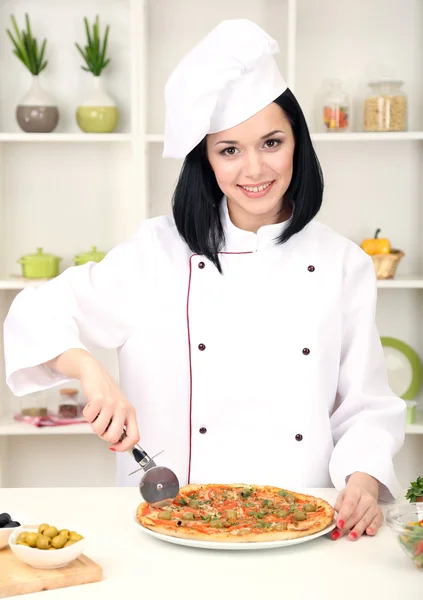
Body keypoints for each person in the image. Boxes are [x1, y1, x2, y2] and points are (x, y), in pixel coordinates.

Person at [3, 19, 405, 543]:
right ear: (207, 161)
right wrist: (89, 371)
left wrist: (363, 482)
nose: (254, 169)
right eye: (229, 150)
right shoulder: (159, 252)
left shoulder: (342, 263)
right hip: (173, 522)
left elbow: (366, 406)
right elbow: (35, 310)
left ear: (297, 143)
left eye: (271, 142)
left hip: (304, 524)